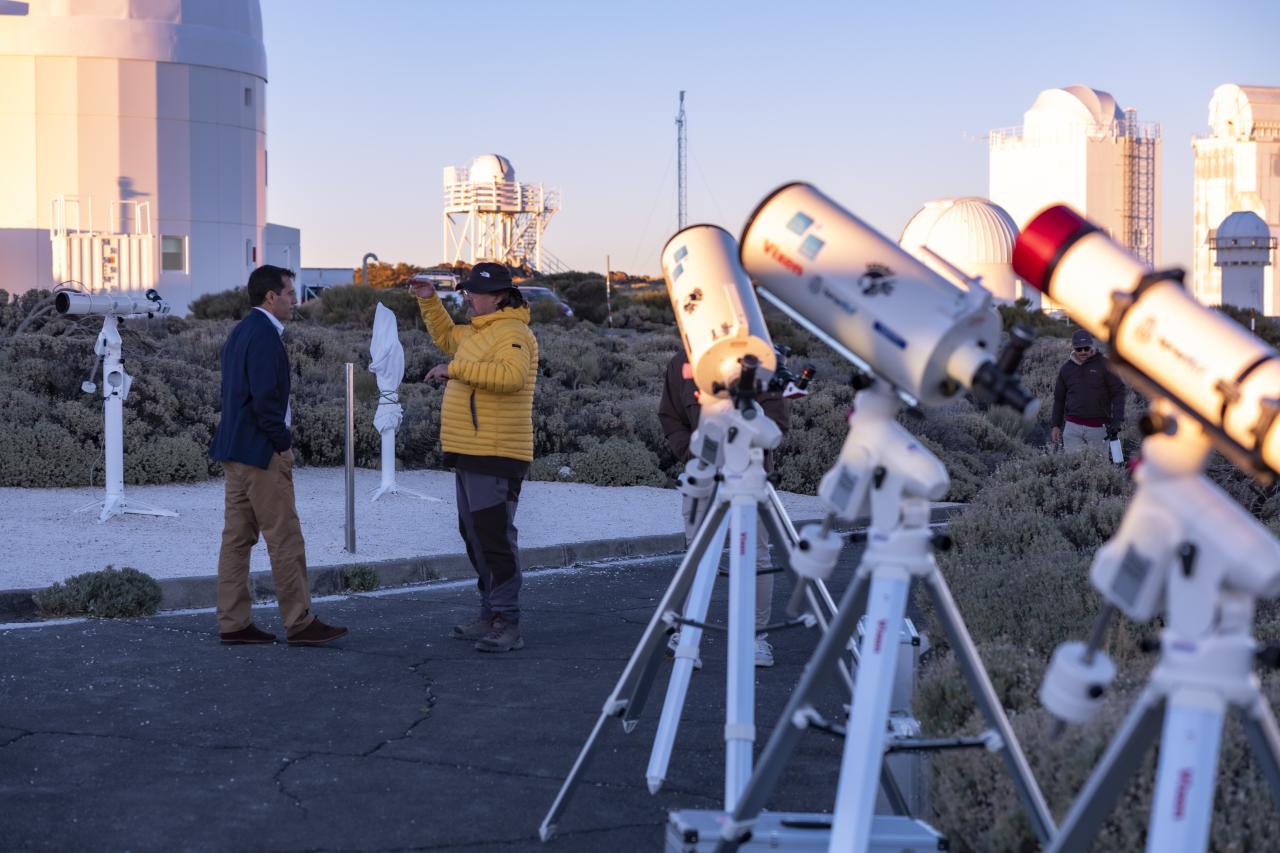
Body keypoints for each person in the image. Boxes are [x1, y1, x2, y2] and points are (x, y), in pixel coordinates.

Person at [209, 265, 348, 646]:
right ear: (270, 296)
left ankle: (233, 621)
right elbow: (266, 401)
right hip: (260, 453)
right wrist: (282, 442)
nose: (294, 300)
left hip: (234, 450)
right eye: (289, 293)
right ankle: (299, 621)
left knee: (236, 539)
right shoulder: (266, 336)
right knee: (284, 537)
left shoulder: (240, 332)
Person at [411, 262, 538, 653]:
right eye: (465, 292)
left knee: (495, 539)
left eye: (474, 293)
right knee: (476, 536)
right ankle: (490, 612)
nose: (467, 298)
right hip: (470, 450)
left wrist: (456, 370)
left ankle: (507, 621)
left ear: (498, 296)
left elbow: (511, 376)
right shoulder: (478, 331)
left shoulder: (514, 333)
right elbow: (448, 336)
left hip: (496, 452)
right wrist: (430, 302)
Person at [657, 349, 790, 667]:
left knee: (756, 557)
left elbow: (777, 422)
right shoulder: (680, 363)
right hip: (703, 470)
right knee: (697, 554)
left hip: (750, 473)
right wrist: (689, 452)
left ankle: (757, 637)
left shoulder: (762, 360)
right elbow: (671, 416)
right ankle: (687, 634)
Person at [1051, 329, 1125, 454]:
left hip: (1098, 429)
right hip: (1072, 428)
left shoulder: (1105, 365)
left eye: (1086, 348)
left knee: (1097, 469)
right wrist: (1055, 425)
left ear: (1092, 345)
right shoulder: (1066, 369)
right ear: (1073, 348)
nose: (1083, 352)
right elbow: (1059, 399)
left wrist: (1117, 421)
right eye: (1079, 349)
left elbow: (1118, 392)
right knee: (1073, 468)